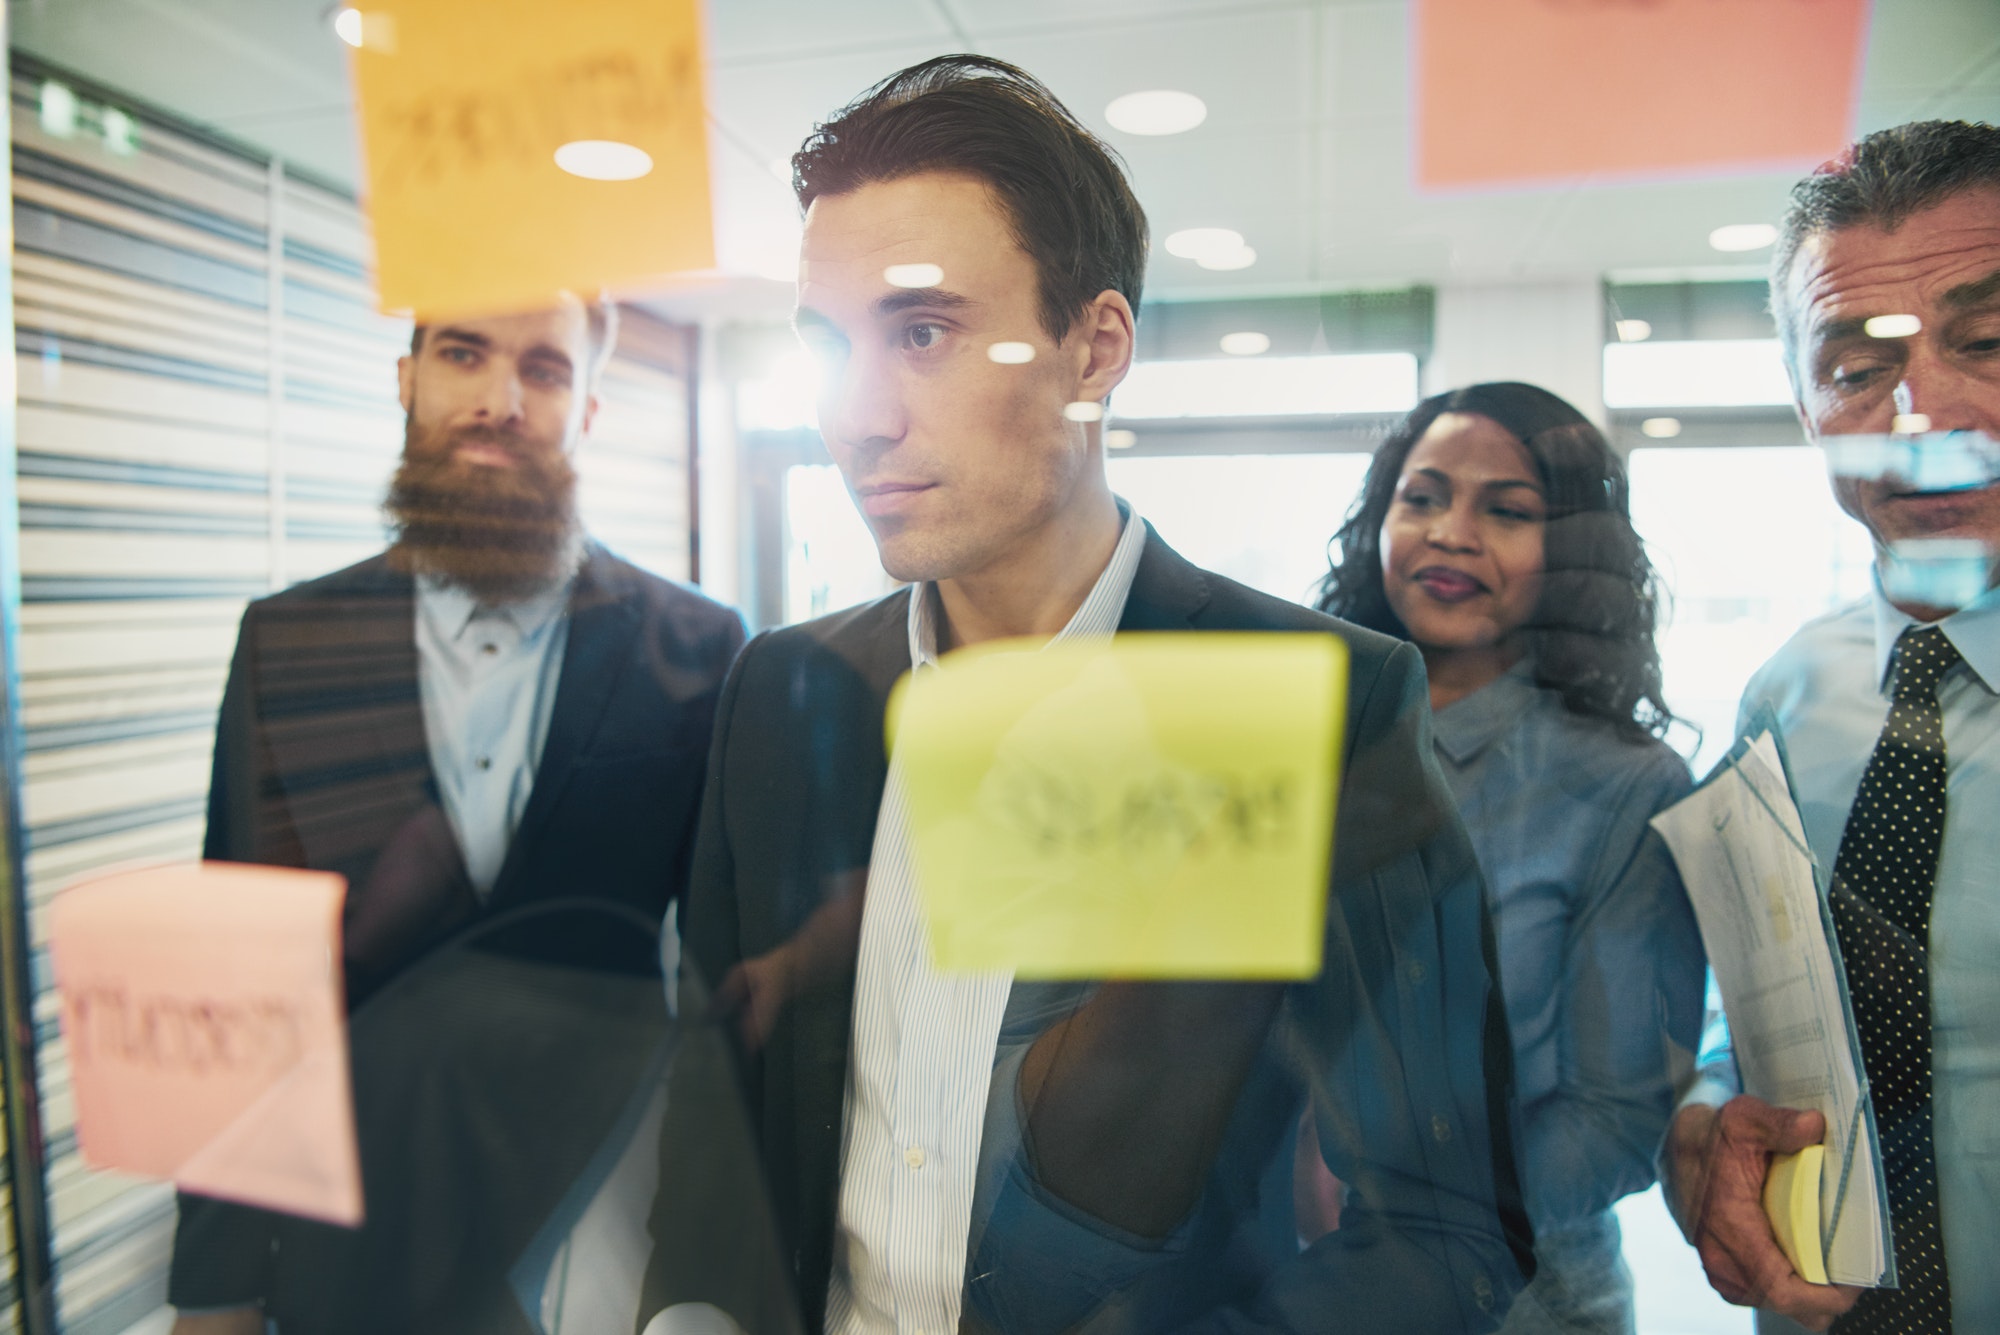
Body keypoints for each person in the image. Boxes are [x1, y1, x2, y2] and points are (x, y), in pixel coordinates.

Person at [641, 56, 1532, 1335]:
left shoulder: (1313, 705)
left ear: (1093, 348)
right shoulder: (784, 690)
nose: (855, 415)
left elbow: (1448, 1229)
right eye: (829, 346)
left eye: (923, 333)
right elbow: (717, 1112)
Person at [170, 296, 747, 1333]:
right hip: (345, 1231)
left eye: (543, 368)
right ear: (407, 379)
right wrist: (214, 1291)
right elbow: (236, 983)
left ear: (587, 409)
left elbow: (720, 978)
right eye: (462, 354)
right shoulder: (285, 641)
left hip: (592, 1227)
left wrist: (704, 1269)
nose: (498, 400)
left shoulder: (700, 649)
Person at [1660, 119, 2000, 1334]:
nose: (1921, 411)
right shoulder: (1784, 701)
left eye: (1988, 340)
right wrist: (1704, 1127)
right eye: (1856, 367)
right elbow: (1743, 1004)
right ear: (1807, 410)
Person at [1317, 382, 1706, 1333]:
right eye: (1423, 496)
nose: (1451, 533)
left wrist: (1395, 1224)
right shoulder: (1295, 731)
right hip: (1265, 1282)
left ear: (1570, 547)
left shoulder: (1626, 784)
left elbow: (1615, 1119)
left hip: (1513, 1304)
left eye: (1508, 510)